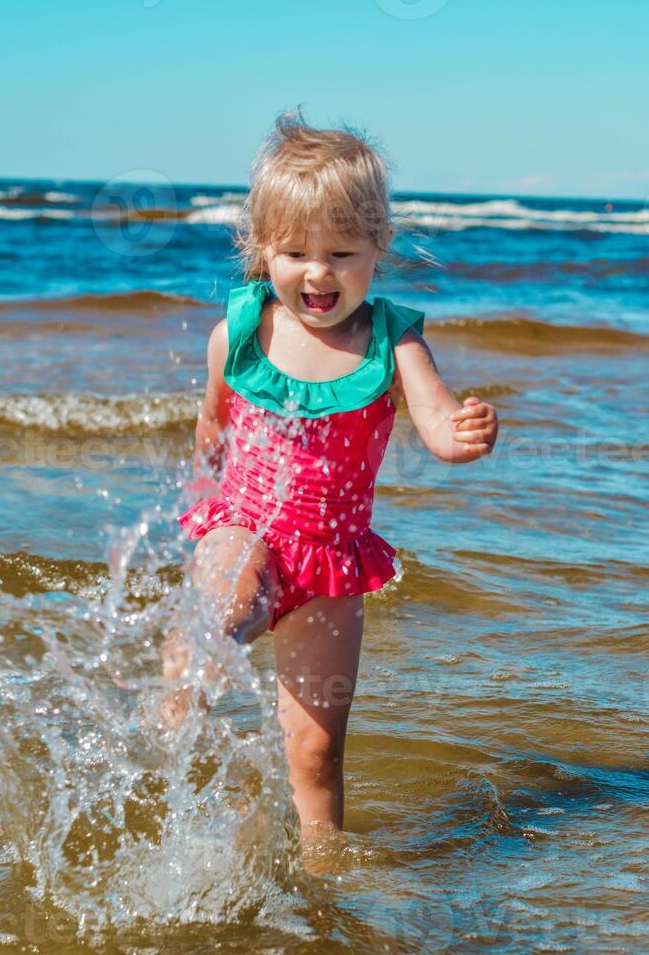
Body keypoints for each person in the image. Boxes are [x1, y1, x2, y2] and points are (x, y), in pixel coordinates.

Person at [162, 110, 498, 840]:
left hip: (332, 562)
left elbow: (436, 421)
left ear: (379, 246)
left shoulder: (391, 340)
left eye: (342, 252)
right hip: (240, 527)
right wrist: (199, 500)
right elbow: (212, 425)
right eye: (295, 253)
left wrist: (462, 435)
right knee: (224, 614)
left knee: (316, 750)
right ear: (262, 249)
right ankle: (163, 773)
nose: (318, 273)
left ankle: (324, 876)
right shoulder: (241, 332)